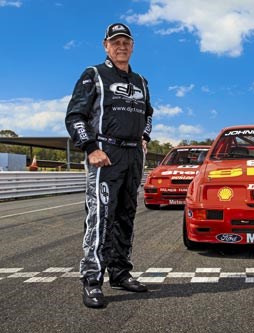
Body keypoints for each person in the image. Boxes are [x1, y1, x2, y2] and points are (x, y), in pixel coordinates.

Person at [65, 23, 154, 308]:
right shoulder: (93, 75)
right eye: (115, 42)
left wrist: (145, 136)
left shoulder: (141, 81)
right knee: (101, 216)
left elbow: (148, 113)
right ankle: (92, 280)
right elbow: (75, 116)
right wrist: (90, 147)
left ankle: (120, 272)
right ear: (106, 45)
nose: (121, 46)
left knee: (126, 215)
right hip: (105, 152)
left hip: (132, 156)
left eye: (126, 41)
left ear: (133, 45)